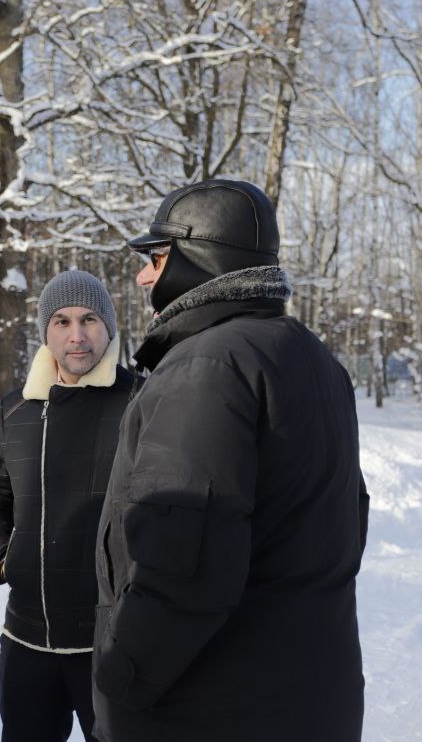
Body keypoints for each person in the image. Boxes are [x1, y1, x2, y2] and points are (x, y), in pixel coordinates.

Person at [92, 180, 370, 741]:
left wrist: (122, 682)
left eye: (157, 258)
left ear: (202, 257)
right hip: (311, 698)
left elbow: (182, 563)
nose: (144, 276)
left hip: (212, 708)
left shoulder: (207, 367)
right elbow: (348, 524)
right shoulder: (310, 356)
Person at [0, 270, 138, 742]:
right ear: (46, 331)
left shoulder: (140, 401)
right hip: (28, 639)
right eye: (62, 322)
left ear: (108, 327)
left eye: (89, 320)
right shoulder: (17, 409)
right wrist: (3, 559)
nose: (76, 335)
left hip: (112, 642)